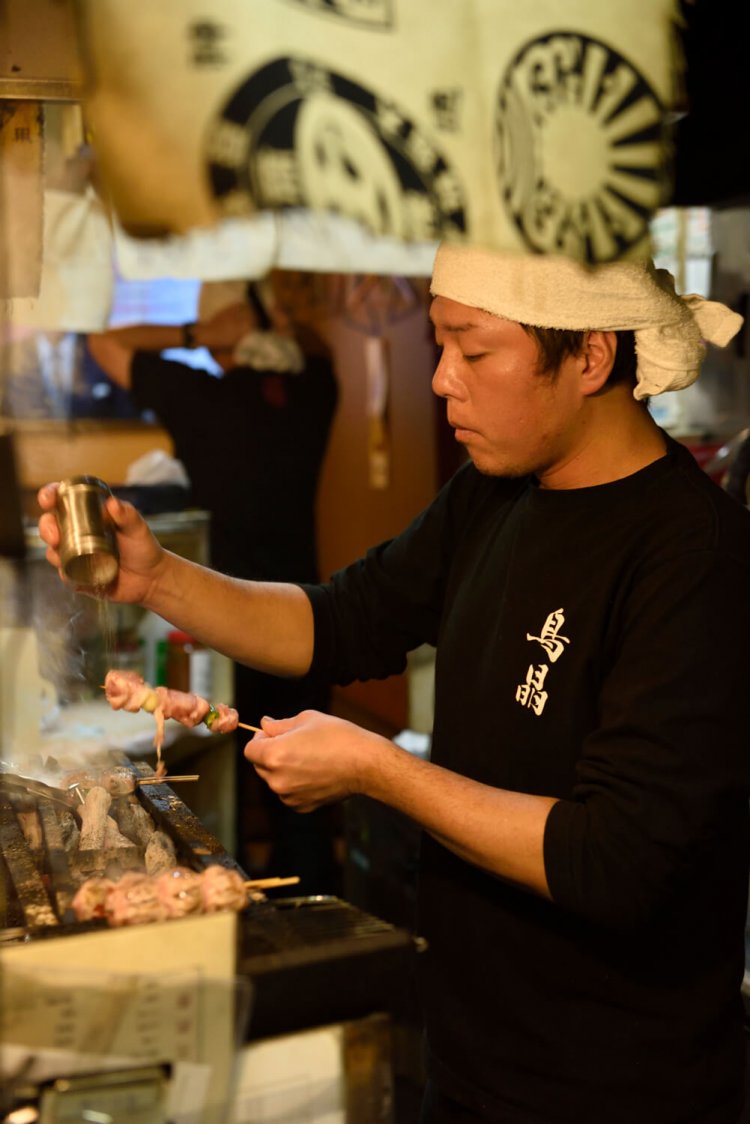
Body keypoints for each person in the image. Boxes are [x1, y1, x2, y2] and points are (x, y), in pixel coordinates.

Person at [39, 243, 750, 1123]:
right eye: (439, 345)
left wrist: (380, 770)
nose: (444, 379)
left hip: (615, 1084)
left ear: (591, 358)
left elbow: (617, 858)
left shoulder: (693, 557)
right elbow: (341, 623)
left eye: (474, 350)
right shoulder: (493, 495)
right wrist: (159, 581)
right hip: (469, 1047)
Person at [86, 278, 341, 894]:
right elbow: (317, 347)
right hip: (309, 614)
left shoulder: (199, 393)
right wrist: (273, 324)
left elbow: (101, 342)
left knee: (231, 775)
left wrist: (198, 335)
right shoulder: (313, 388)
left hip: (220, 615)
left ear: (226, 336)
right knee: (306, 788)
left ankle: (248, 905)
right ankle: (318, 911)